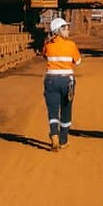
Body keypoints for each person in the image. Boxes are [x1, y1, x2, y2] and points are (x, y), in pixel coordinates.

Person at [43, 16, 81, 152]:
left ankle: (54, 134)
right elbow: (78, 61)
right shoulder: (71, 45)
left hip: (51, 80)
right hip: (67, 81)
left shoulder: (47, 44)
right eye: (65, 28)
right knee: (66, 109)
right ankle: (63, 140)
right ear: (58, 30)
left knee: (53, 110)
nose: (68, 30)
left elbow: (44, 55)